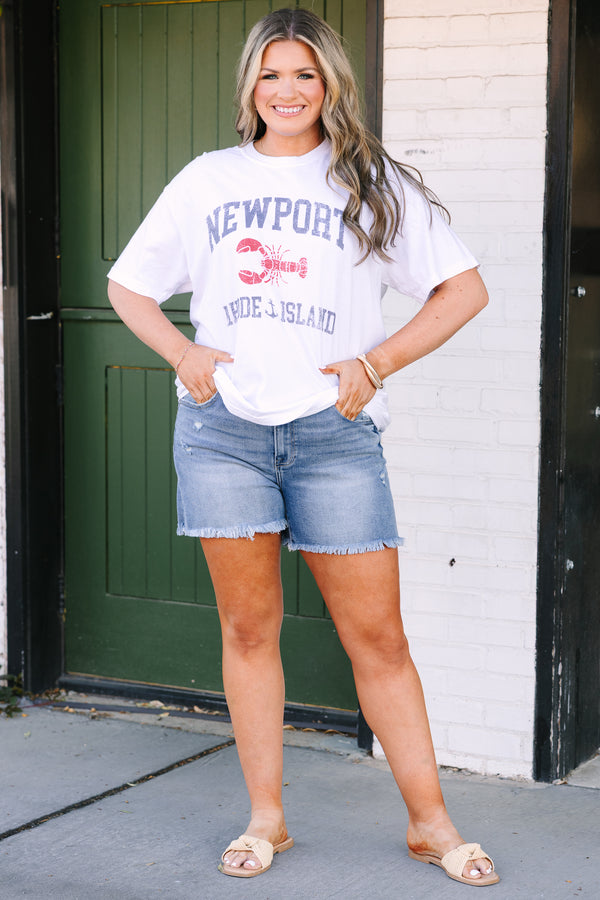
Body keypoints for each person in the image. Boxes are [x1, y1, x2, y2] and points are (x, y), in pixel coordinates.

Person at [107, 7, 499, 887]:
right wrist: (183, 352)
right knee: (249, 631)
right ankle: (267, 819)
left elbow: (462, 289)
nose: (288, 91)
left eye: (306, 75)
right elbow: (128, 286)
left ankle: (430, 825)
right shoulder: (208, 179)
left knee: (381, 641)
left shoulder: (369, 180)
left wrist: (378, 361)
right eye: (272, 74)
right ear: (250, 85)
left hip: (334, 437)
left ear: (331, 86)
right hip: (224, 436)